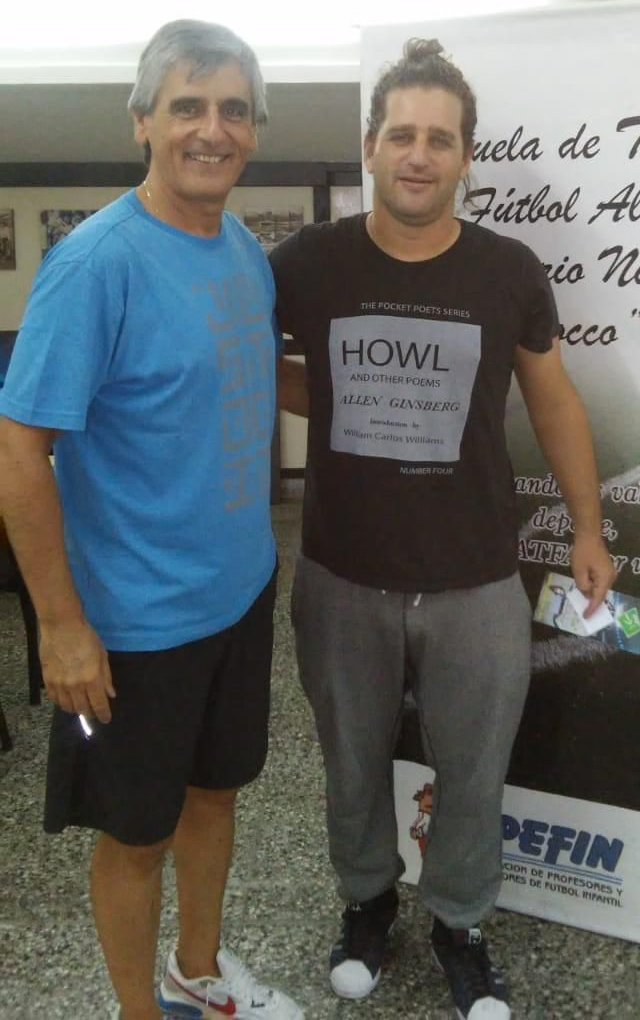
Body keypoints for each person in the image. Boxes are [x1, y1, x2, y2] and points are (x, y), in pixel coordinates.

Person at [272, 39, 616, 1020]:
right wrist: (328, 393)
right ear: (372, 148)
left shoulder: (507, 271)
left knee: (473, 770)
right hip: (343, 575)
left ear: (467, 156)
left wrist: (589, 527)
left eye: (441, 139)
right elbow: (251, 369)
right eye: (401, 135)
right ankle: (367, 904)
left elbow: (552, 404)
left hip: (475, 581)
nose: (419, 154)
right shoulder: (305, 264)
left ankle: (461, 921)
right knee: (351, 761)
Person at [0, 20, 303, 1020]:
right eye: (186, 106)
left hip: (240, 590)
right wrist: (60, 625)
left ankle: (197, 973)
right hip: (131, 624)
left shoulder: (243, 255)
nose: (210, 130)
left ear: (251, 127)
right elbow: (19, 450)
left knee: (217, 793)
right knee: (134, 836)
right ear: (143, 121)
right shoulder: (96, 263)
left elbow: (246, 383)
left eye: (230, 109)